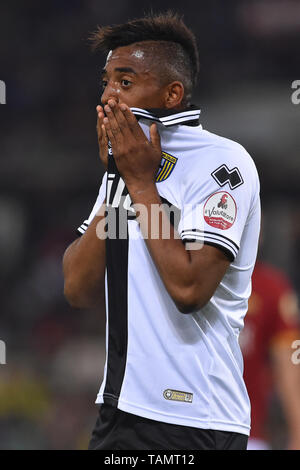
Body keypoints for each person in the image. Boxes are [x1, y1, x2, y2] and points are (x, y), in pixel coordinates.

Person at [63, 12, 261, 450]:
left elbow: (189, 289)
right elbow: (79, 288)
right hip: (120, 409)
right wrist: (119, 183)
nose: (109, 95)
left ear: (172, 94)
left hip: (195, 417)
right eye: (107, 81)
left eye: (126, 82)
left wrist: (139, 184)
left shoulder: (223, 165)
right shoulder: (127, 166)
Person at [240, 260, 300, 450]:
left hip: (248, 433)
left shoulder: (271, 287)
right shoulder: (184, 279)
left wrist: (298, 433)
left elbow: (288, 365)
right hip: (179, 423)